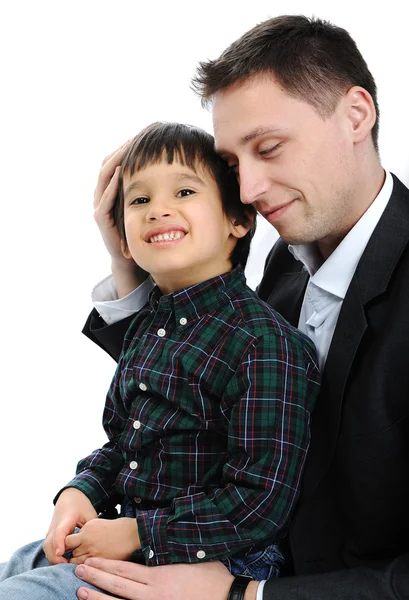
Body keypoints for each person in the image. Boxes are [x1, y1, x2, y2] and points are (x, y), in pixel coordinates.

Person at [73, 13, 409, 600]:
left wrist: (244, 596)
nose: (248, 188)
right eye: (230, 165)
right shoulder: (285, 260)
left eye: (270, 148)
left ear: (356, 116)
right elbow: (196, 395)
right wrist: (128, 265)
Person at [0, 122, 319, 597]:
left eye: (185, 191)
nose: (158, 210)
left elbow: (260, 501)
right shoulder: (150, 327)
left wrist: (138, 534)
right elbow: (126, 446)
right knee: (16, 567)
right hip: (130, 534)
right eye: (139, 200)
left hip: (214, 559)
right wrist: (82, 490)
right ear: (124, 237)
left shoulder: (263, 343)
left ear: (238, 219)